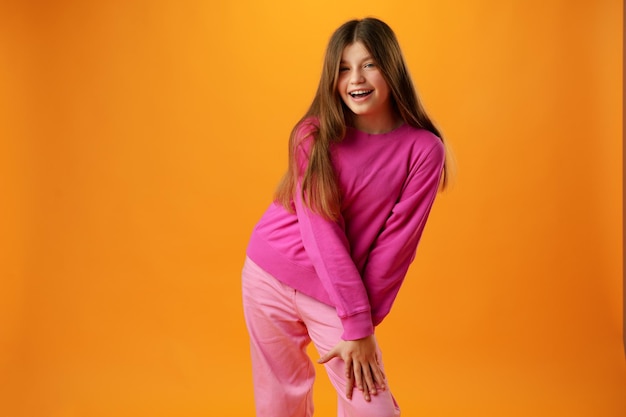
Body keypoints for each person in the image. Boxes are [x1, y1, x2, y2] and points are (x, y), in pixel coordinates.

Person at [242, 17, 450, 417]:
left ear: (392, 69)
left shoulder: (424, 150)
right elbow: (322, 232)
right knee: (279, 403)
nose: (356, 78)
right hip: (267, 274)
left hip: (336, 293)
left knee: (373, 408)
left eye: (369, 64)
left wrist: (359, 326)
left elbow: (395, 250)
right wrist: (357, 320)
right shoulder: (313, 135)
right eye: (343, 68)